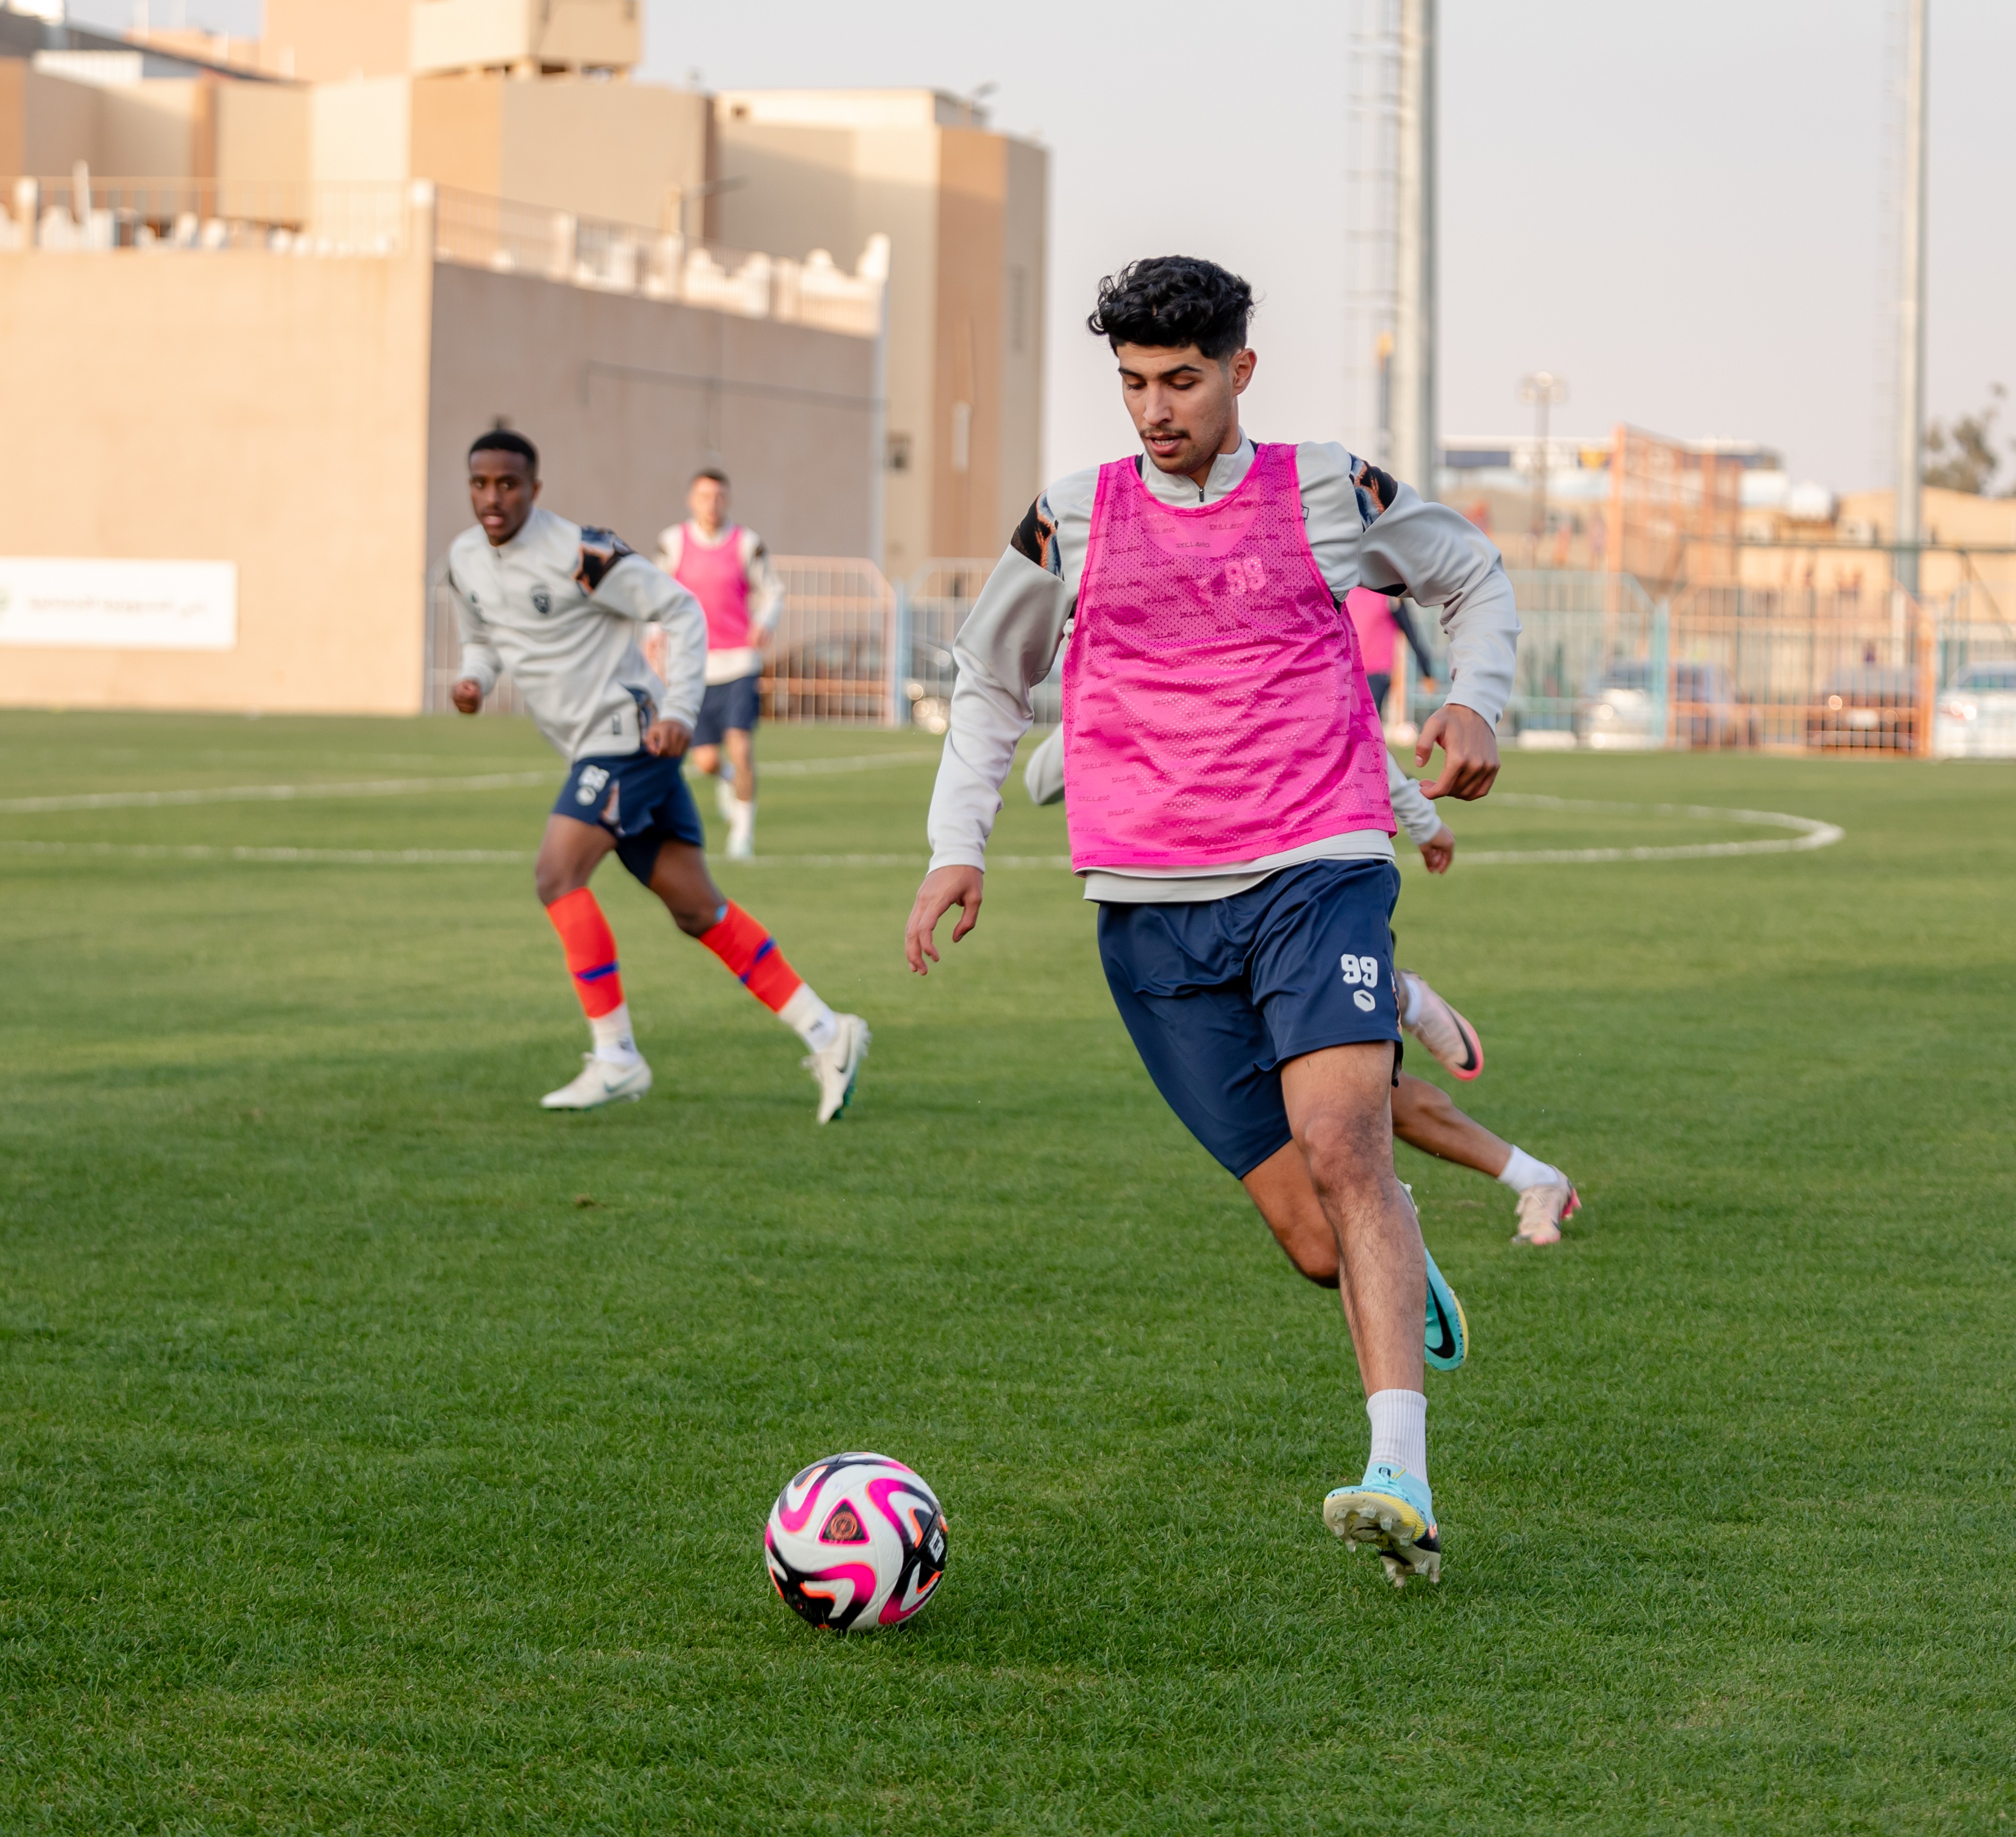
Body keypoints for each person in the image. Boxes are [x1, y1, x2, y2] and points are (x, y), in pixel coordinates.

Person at [905, 257, 1520, 1589]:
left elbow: (1469, 572)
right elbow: (988, 679)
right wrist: (958, 848)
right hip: (1148, 912)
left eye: (1180, 380)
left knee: (1343, 1143)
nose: (1154, 409)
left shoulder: (1325, 488)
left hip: (1315, 867)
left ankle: (1400, 1481)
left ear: (1240, 370)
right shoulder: (1071, 516)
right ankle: (1394, 1251)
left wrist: (1476, 694)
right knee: (1314, 1233)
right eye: (1132, 382)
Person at [448, 430, 868, 1120]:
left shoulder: (582, 553)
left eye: (508, 484)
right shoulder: (464, 559)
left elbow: (680, 608)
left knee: (556, 875)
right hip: (597, 747)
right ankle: (829, 1032)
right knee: (697, 909)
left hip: (629, 737)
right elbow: (483, 639)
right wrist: (473, 679)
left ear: (535, 489)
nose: (493, 497)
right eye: (480, 484)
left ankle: (616, 1057)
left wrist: (679, 711)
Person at [1024, 727, 1582, 1246]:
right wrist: (1101, 698)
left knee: (1344, 1105)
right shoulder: (1126, 676)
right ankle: (1532, 1174)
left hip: (1300, 891)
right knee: (1343, 1105)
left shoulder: (1257, 662)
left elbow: (1346, 717)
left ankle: (1402, 1006)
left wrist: (1420, 818)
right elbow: (1041, 782)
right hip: (1188, 922)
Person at [656, 469, 783, 861]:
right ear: (691, 500)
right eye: (704, 496)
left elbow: (773, 590)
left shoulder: (746, 543)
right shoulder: (672, 542)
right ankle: (728, 779)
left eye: (718, 497)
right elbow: (655, 593)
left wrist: (765, 622)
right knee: (706, 759)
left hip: (740, 662)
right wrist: (653, 635)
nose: (711, 504)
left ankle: (742, 837)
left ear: (727, 500)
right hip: (694, 665)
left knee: (740, 747)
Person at [1346, 584, 1438, 724]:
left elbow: (1411, 632)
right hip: (1349, 671)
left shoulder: (1389, 596)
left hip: (1377, 672)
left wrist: (1427, 671)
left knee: (1367, 720)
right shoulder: (1346, 593)